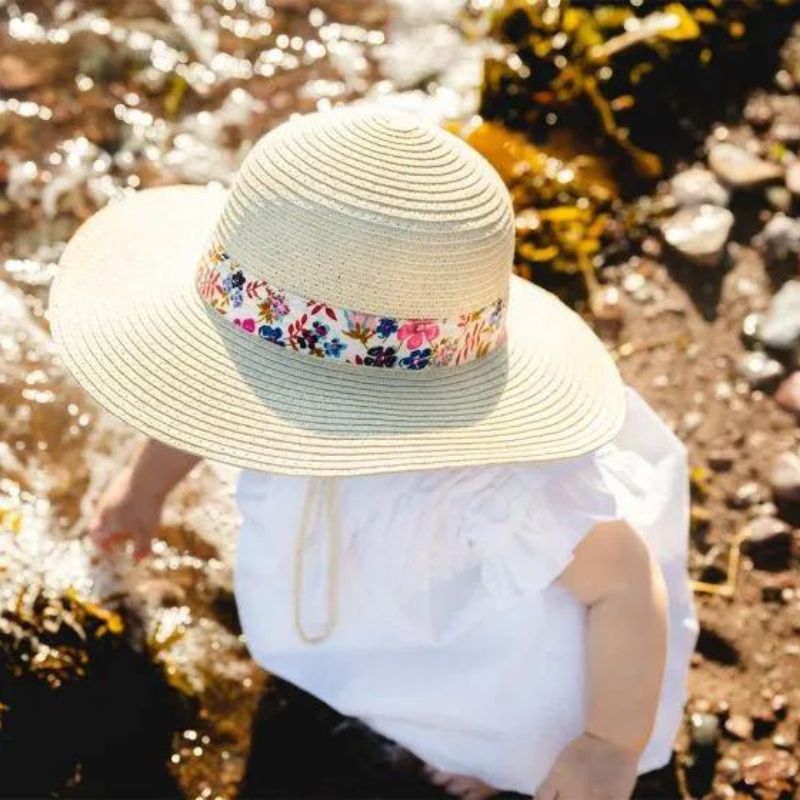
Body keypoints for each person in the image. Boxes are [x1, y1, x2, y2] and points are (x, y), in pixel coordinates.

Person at [49, 105, 698, 800]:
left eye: (274, 389)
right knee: (374, 655)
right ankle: (382, 697)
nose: (255, 405)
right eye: (249, 383)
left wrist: (607, 744)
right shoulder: (257, 365)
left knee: (490, 710)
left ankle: (480, 751)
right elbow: (211, 403)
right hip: (369, 601)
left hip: (476, 640)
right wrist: (145, 487)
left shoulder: (486, 480)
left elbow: (625, 580)